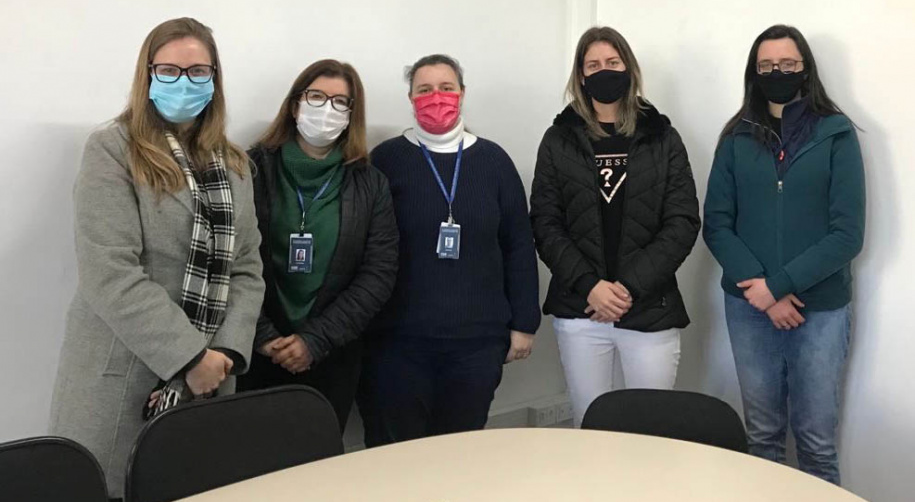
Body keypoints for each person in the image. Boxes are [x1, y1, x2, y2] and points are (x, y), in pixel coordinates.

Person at [48, 17, 264, 498]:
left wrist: (223, 353)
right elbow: (109, 271)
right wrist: (189, 355)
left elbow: (247, 269)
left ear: (215, 79)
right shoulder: (112, 149)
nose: (184, 82)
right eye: (169, 70)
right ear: (147, 75)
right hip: (124, 375)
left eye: (198, 71)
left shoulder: (235, 164)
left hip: (211, 377)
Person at [703, 24, 865, 485]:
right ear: (754, 73)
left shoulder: (836, 134)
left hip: (820, 310)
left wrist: (779, 286)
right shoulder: (736, 137)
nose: (778, 72)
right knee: (762, 439)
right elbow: (716, 223)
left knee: (815, 441)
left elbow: (847, 234)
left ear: (806, 68)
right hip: (749, 305)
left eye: (788, 64)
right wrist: (761, 290)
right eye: (767, 65)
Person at [357, 54, 541, 447]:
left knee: (458, 457)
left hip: (476, 344)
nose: (436, 97)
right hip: (397, 343)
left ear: (462, 93)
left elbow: (519, 245)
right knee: (394, 455)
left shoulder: (493, 161)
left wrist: (525, 323)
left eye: (446, 88)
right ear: (410, 97)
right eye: (424, 90)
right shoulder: (387, 159)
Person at [530, 26, 700, 427]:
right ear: (581, 75)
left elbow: (683, 221)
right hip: (580, 310)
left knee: (651, 431)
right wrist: (591, 285)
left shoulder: (663, 137)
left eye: (612, 62)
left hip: (649, 310)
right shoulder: (558, 139)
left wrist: (627, 288)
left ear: (629, 68)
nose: (604, 71)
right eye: (593, 65)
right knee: (591, 428)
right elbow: (545, 222)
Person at [238, 60, 398, 432]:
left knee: (318, 468)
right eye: (316, 96)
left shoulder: (370, 183)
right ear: (295, 106)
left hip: (331, 354)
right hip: (254, 351)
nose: (327, 109)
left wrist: (315, 340)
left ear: (351, 116)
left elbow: (379, 273)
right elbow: (229, 260)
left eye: (341, 102)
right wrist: (264, 337)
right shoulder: (250, 169)